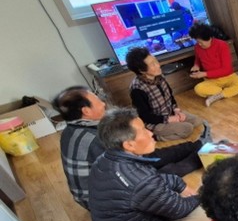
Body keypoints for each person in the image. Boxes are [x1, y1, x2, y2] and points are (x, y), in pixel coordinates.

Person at [88, 108, 210, 221]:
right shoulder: (141, 181)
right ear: (129, 144)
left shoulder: (103, 160)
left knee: (179, 195)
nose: (151, 133)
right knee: (208, 209)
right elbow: (181, 209)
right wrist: (205, 194)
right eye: (144, 131)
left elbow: (152, 180)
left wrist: (178, 184)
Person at [52, 86, 204, 210]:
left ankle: (197, 146)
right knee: (161, 173)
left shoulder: (71, 129)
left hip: (106, 185)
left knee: (153, 156)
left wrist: (190, 146)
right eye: (98, 100)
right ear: (86, 111)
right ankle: (198, 157)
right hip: (105, 202)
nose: (103, 103)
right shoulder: (97, 139)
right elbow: (138, 172)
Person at [125, 47, 205, 141]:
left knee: (197, 121)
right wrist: (169, 119)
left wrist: (177, 111)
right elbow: (145, 116)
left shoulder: (159, 76)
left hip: (169, 113)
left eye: (156, 61)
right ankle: (155, 137)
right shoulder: (137, 89)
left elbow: (170, 96)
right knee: (187, 129)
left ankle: (173, 126)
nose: (158, 65)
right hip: (156, 122)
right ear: (142, 70)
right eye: (153, 64)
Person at [188, 23, 238, 106]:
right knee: (198, 89)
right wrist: (196, 65)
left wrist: (204, 74)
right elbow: (198, 59)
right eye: (197, 42)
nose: (199, 44)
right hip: (211, 80)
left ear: (208, 38)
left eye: (200, 42)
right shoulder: (197, 47)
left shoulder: (222, 45)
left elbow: (226, 70)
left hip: (228, 77)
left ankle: (220, 95)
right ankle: (227, 91)